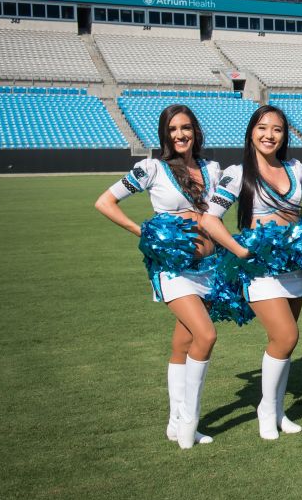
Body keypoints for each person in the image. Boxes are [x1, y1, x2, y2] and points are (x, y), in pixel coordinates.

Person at [94, 104, 220, 450]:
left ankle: (174, 421)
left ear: (196, 131)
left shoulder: (211, 168)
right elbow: (105, 202)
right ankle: (188, 427)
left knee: (183, 343)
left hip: (208, 268)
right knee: (206, 336)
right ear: (165, 134)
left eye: (186, 128)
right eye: (173, 129)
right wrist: (144, 233)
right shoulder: (151, 168)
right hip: (172, 269)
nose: (180, 134)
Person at [199, 106, 302, 441]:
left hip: (295, 266)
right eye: (263, 128)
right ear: (251, 132)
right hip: (260, 269)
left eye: (278, 130)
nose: (269, 135)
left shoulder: (295, 168)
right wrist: (241, 250)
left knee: (284, 343)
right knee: (285, 337)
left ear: (284, 136)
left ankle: (280, 412)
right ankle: (266, 410)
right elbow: (209, 219)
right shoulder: (238, 173)